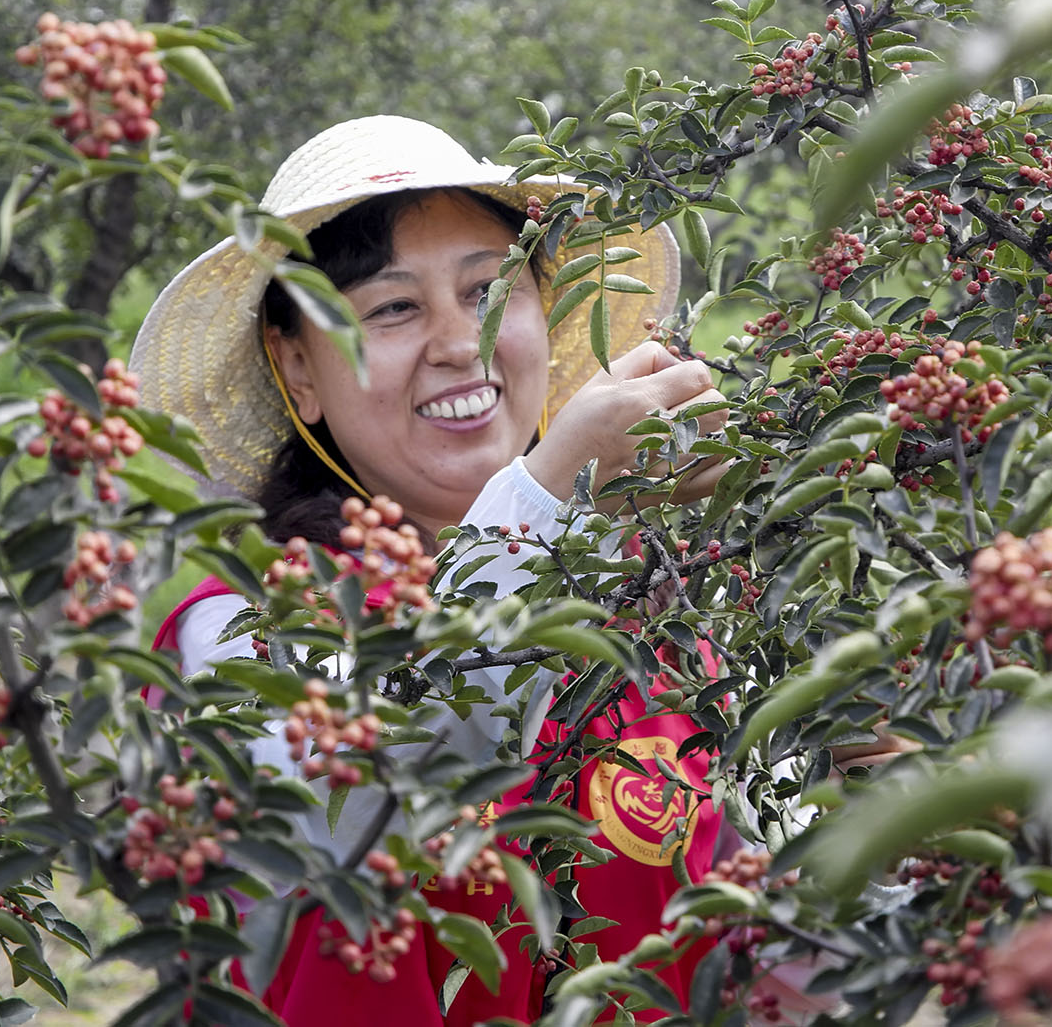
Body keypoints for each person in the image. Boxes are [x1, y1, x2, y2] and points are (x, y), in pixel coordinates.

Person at [130, 115, 736, 1024]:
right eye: (392, 308)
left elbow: (753, 948)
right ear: (298, 369)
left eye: (492, 290)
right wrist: (550, 494)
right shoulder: (247, 627)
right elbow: (356, 792)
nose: (460, 342)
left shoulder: (659, 609)